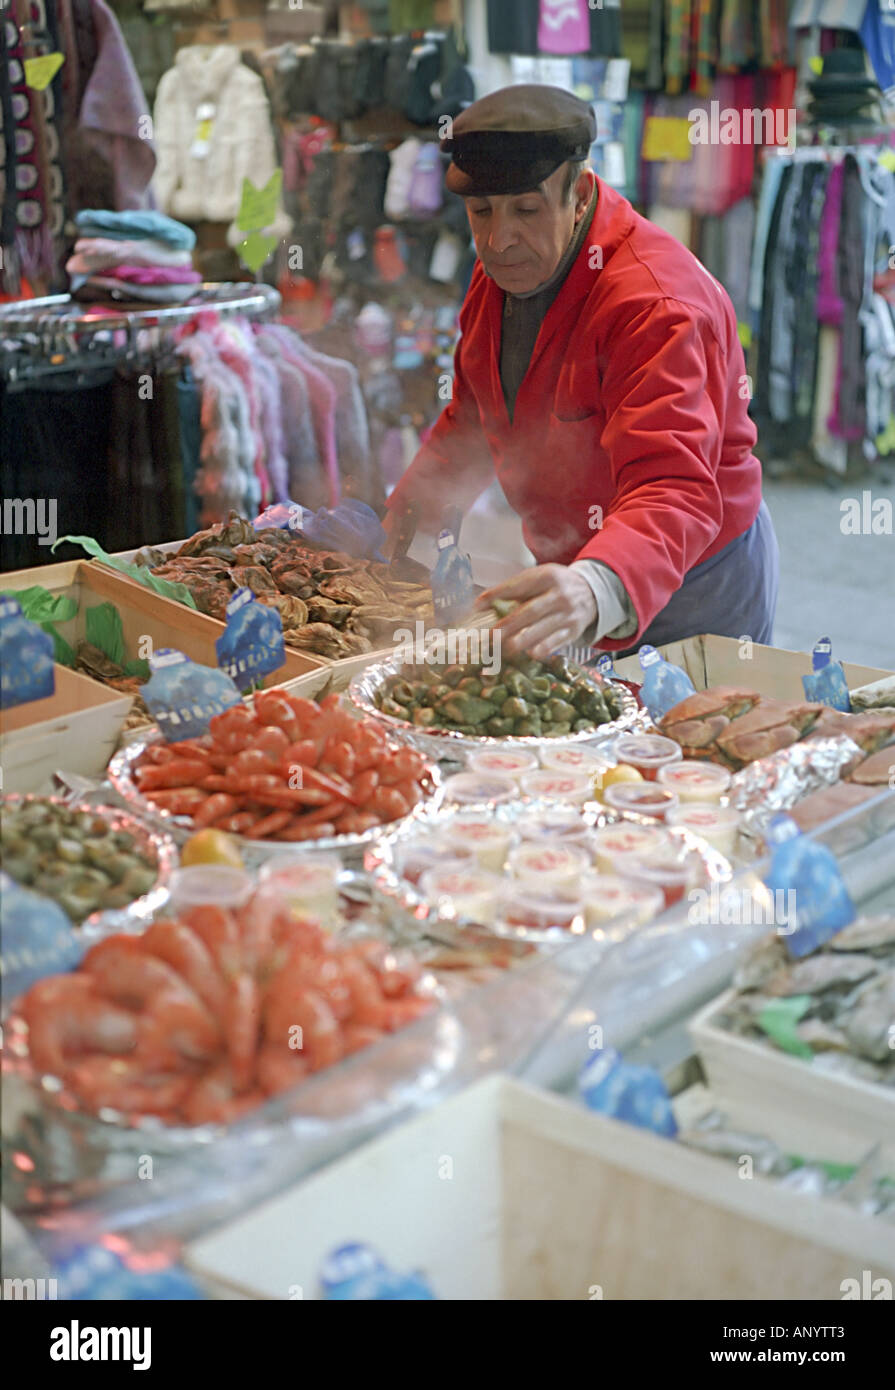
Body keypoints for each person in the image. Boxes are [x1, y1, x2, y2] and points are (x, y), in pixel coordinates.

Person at [384, 85, 780, 659]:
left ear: (580, 191)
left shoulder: (656, 303)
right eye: (480, 212)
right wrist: (401, 519)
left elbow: (673, 488)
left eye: (526, 209)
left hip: (692, 575)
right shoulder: (503, 271)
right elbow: (472, 419)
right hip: (579, 567)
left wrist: (595, 585)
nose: (499, 240)